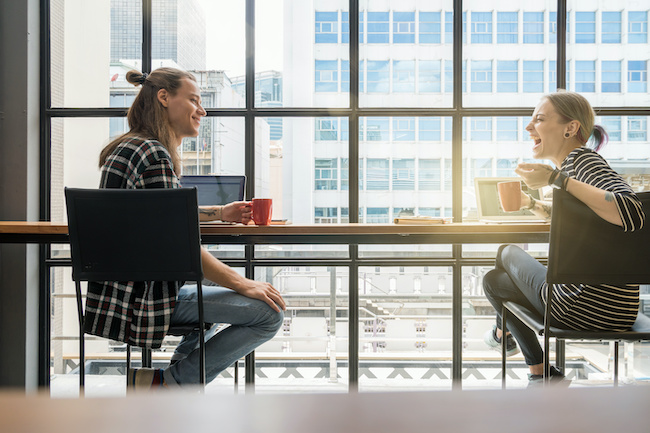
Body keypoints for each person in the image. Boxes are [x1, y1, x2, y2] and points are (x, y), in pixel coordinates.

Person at [86, 67, 286, 390]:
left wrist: (221, 212)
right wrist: (246, 285)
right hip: (144, 300)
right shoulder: (155, 155)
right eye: (193, 100)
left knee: (216, 280)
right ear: (164, 98)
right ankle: (171, 384)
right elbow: (183, 248)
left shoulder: (133, 147)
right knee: (268, 313)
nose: (202, 110)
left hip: (118, 295)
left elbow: (163, 217)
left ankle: (174, 380)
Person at [482, 91, 645, 387]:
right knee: (494, 281)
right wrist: (532, 204)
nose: (529, 128)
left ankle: (501, 335)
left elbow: (633, 211)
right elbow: (584, 216)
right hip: (616, 310)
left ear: (570, 129)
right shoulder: (575, 168)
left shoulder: (582, 162)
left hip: (580, 306)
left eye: (540, 119)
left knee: (505, 251)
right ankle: (540, 375)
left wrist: (557, 179)